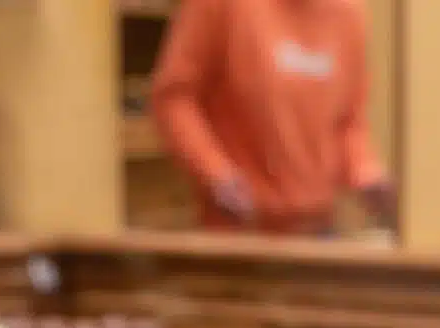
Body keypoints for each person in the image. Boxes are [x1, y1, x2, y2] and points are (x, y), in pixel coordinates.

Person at [151, 0, 396, 235]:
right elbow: (175, 98)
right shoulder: (220, 5)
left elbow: (348, 118)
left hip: (319, 228)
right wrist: (216, 173)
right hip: (240, 231)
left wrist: (366, 172)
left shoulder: (349, 13)